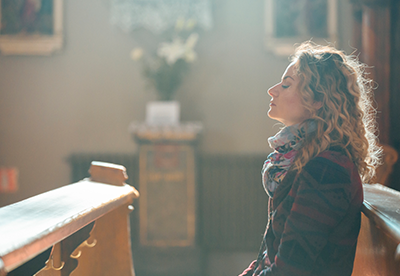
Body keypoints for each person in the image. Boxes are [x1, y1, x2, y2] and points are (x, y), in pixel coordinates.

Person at [239, 42, 381, 276]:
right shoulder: (305, 158)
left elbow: (291, 269)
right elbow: (270, 255)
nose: (272, 90)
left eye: (286, 85)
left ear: (318, 100)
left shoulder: (327, 169)